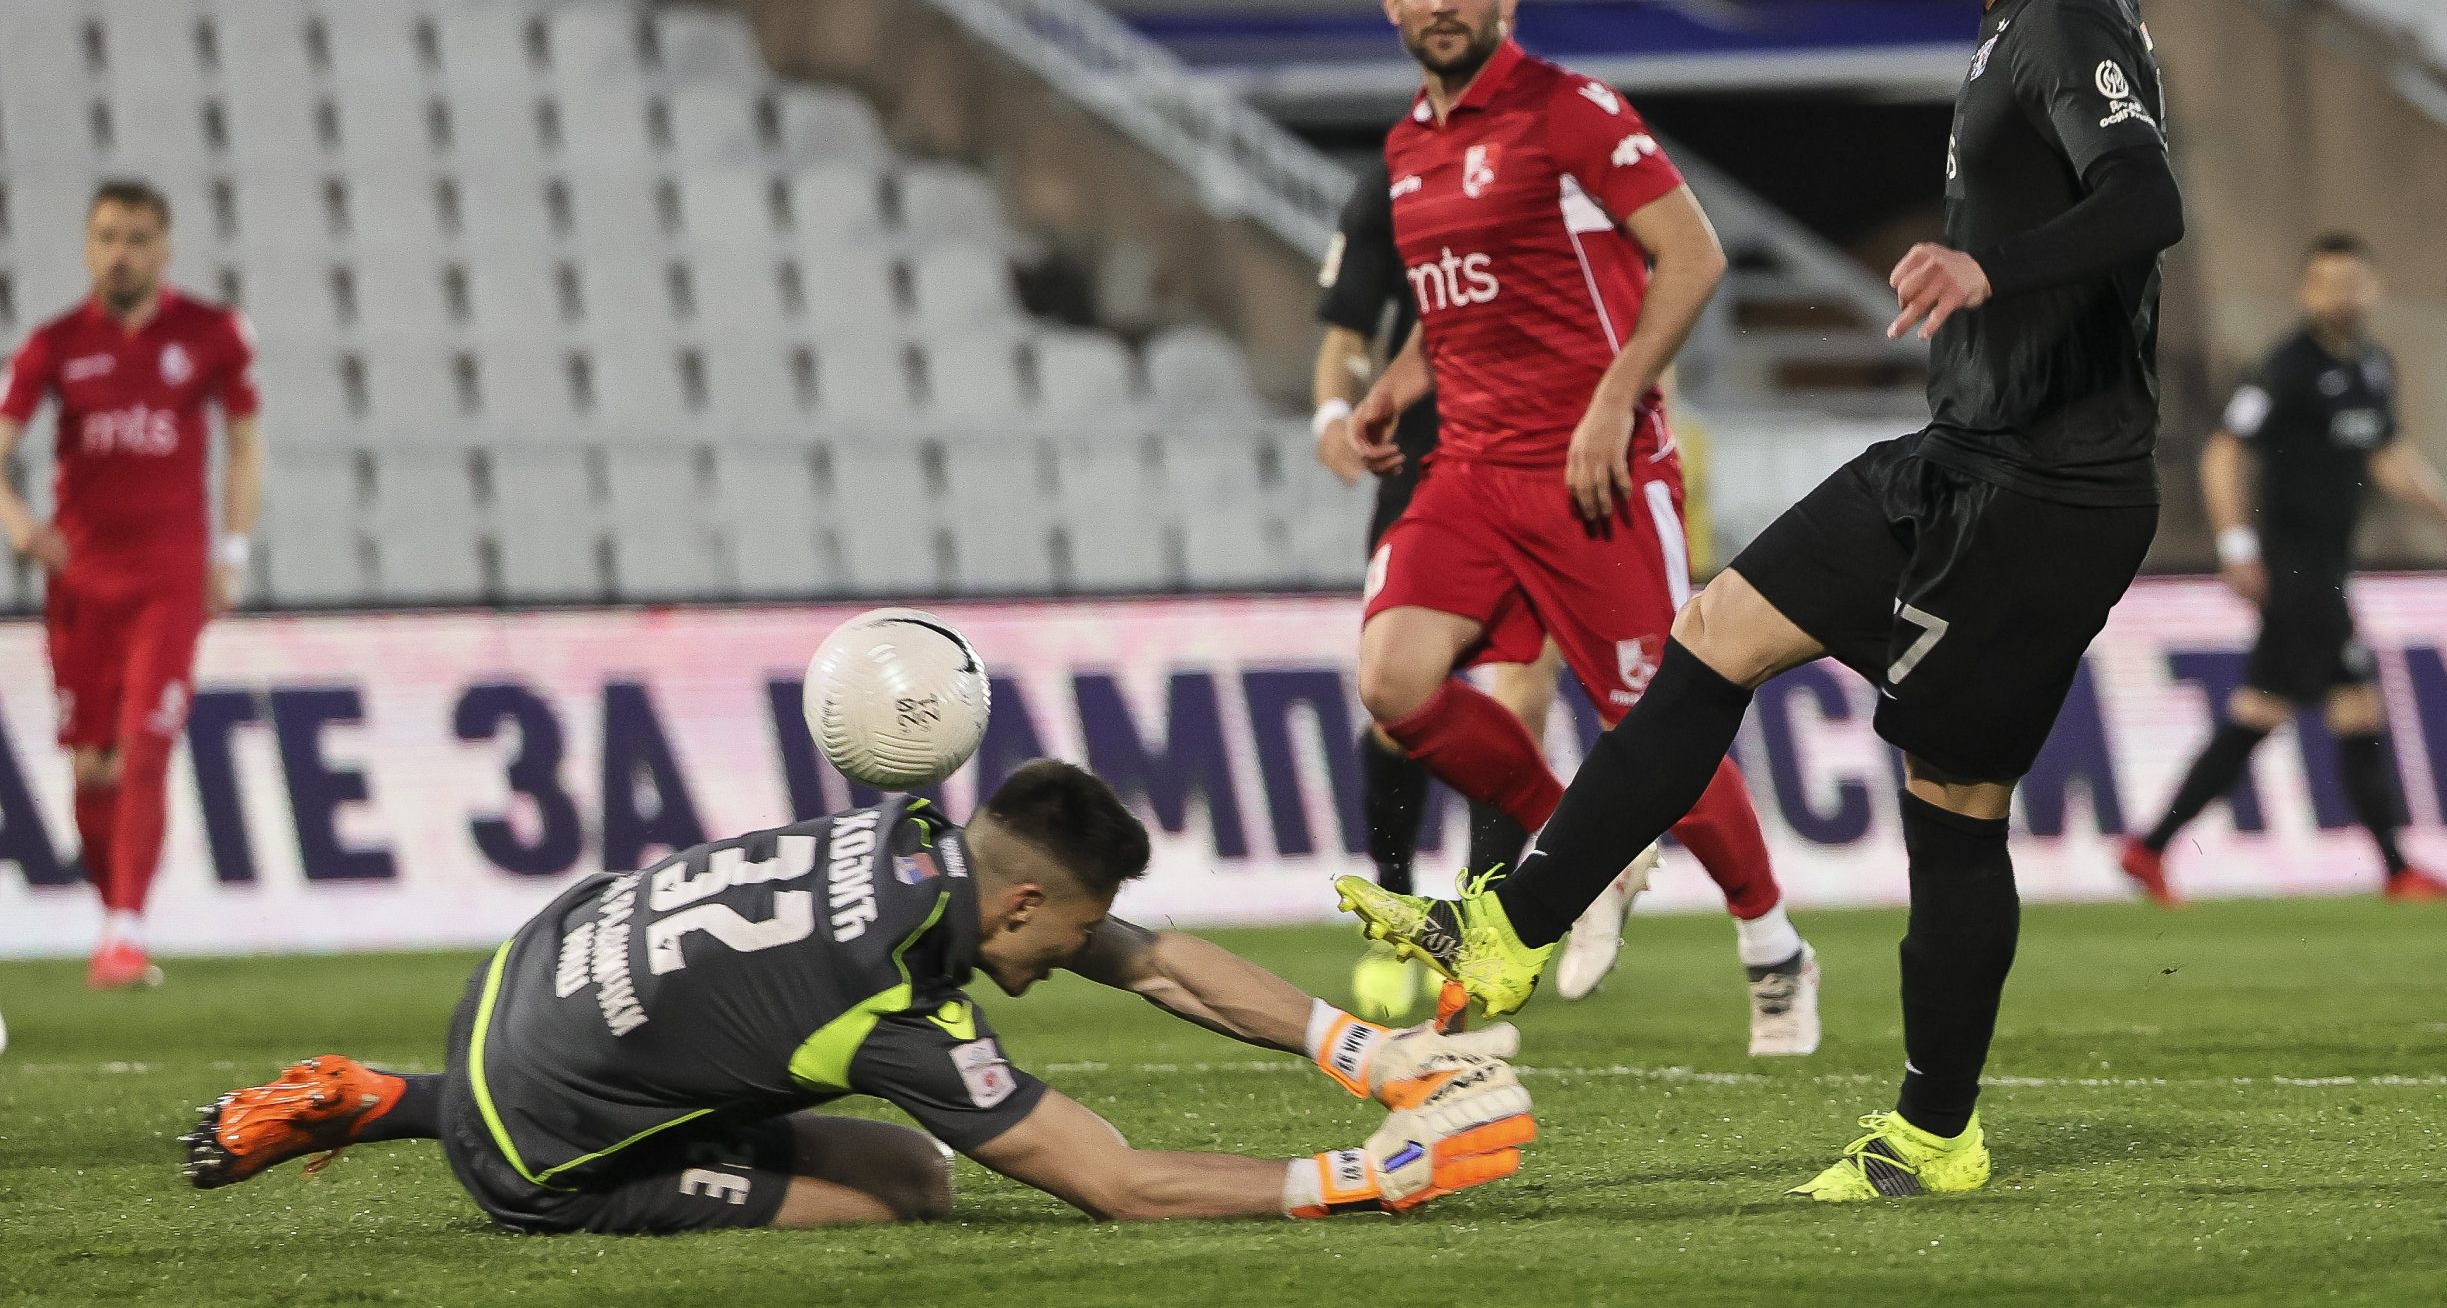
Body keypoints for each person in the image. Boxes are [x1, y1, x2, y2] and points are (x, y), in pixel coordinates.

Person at [1337, 0, 2184, 1200]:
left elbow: (2144, 196)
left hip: (2052, 489)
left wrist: (1994, 270)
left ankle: (1934, 1128)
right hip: (1961, 456)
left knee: (1953, 805)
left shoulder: (2071, 21)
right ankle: (1513, 922)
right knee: (1715, 630)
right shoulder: (2020, 19)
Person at [181, 761, 1534, 1230]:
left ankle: (383, 1090)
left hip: (525, 975)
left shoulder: (905, 833)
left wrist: (1365, 1048)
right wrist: (1366, 1171)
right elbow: (1114, 1182)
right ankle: (419, 1120)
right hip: (534, 1145)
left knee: (712, 1057)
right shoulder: (897, 1009)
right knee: (914, 1179)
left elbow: (1155, 953)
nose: (1078, 952)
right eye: (1066, 934)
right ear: (1017, 905)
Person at [1341, 0, 1816, 1055]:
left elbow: (1692, 257)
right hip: (1468, 470)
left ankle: (1770, 942)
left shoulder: (1569, 109)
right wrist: (1394, 385)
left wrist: (1615, 399)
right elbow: (1457, 312)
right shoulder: (1406, 149)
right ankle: (1577, 846)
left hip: (1593, 472)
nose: (1443, 0)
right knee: (1393, 682)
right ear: (1393, 2)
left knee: (1657, 726)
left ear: (1503, 1)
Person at [2121, 233, 2447, 904]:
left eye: (2352, 279)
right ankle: (2394, 870)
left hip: (2326, 566)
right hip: (2296, 569)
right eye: (2326, 281)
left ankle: (2152, 848)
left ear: (2372, 287)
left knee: (2308, 708)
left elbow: (2387, 455)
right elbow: (2223, 452)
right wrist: (2236, 546)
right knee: (2306, 709)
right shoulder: (2288, 366)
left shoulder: (2373, 366)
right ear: (2305, 291)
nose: (2340, 292)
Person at [1312, 161, 1565, 1020]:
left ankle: (1481, 922)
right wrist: (1329, 413)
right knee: (1398, 706)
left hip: (1534, 464)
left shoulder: (1559, 163)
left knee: (1523, 694)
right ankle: (1393, 886)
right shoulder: (1389, 182)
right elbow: (1345, 331)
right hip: (1419, 471)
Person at [0, 179, 263, 991]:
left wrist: (232, 552)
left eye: (138, 237)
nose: (122, 252)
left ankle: (125, 930)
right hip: (82, 581)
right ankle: (112, 907)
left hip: (169, 578)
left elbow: (244, 446)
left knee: (149, 742)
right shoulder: (52, 344)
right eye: (109, 236)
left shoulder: (213, 334)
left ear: (165, 248)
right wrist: (18, 525)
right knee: (94, 766)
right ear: (88, 246)